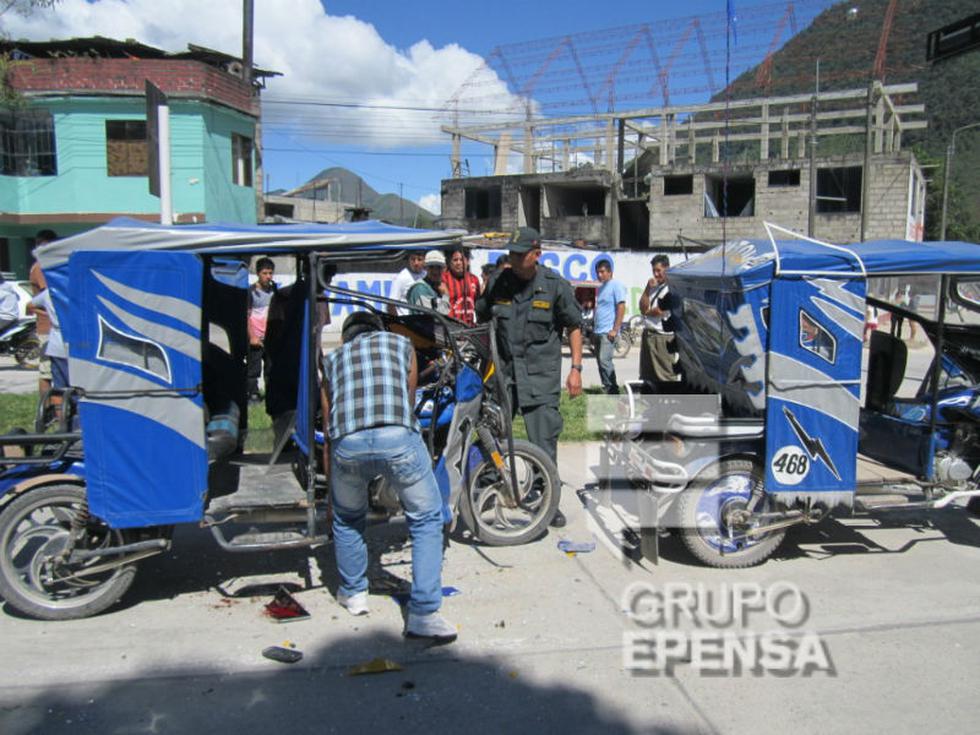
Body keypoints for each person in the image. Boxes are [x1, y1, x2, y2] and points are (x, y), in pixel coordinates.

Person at [320, 311, 456, 643]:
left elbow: (327, 424)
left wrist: (329, 487)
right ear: (378, 330)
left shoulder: (332, 360)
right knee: (425, 519)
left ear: (346, 338)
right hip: (397, 438)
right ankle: (423, 615)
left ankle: (354, 594)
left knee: (348, 518)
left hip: (347, 445)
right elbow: (407, 402)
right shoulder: (401, 345)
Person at [475, 227, 583, 528]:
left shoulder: (554, 286)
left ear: (536, 255)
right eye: (511, 253)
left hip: (540, 377)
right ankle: (485, 489)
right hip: (503, 375)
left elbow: (574, 326)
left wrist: (576, 369)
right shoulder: (498, 282)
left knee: (544, 442)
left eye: (519, 254)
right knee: (491, 437)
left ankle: (547, 500)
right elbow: (481, 318)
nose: (513, 258)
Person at [638, 254, 678, 392]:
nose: (656, 274)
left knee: (665, 374)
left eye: (658, 270)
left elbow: (659, 311)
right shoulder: (653, 285)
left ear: (667, 269)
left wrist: (647, 312)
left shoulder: (672, 287)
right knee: (647, 374)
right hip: (648, 334)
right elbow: (642, 307)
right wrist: (647, 288)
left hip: (662, 336)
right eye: (654, 270)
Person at [28, 229, 57, 395]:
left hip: (50, 327)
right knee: (46, 372)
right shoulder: (41, 268)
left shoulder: (44, 266)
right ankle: (47, 410)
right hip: (48, 328)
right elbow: (50, 297)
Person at [593, 258, 626, 395]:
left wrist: (615, 329)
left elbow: (621, 306)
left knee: (605, 360)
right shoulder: (600, 288)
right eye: (598, 272)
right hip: (598, 331)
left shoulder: (616, 285)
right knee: (600, 362)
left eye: (602, 272)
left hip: (608, 331)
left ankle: (613, 390)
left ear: (610, 272)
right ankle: (606, 387)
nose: (600, 275)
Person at [247, 257, 277, 403]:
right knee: (254, 368)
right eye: (265, 273)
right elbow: (246, 316)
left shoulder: (274, 291)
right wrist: (252, 336)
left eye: (270, 273)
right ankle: (253, 394)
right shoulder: (251, 292)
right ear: (258, 273)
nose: (268, 277)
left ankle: (271, 393)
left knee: (271, 369)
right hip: (256, 337)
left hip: (270, 337)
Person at [442, 247, 481, 325]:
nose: (459, 263)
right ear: (449, 262)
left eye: (461, 260)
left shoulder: (474, 279)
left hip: (469, 328)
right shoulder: (444, 278)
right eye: (455, 260)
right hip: (451, 328)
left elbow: (478, 303)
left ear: (468, 261)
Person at [388, 251, 426, 316]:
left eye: (419, 259)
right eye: (413, 259)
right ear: (409, 260)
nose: (416, 263)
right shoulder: (402, 277)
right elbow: (391, 304)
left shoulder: (426, 275)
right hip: (406, 320)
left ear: (424, 261)